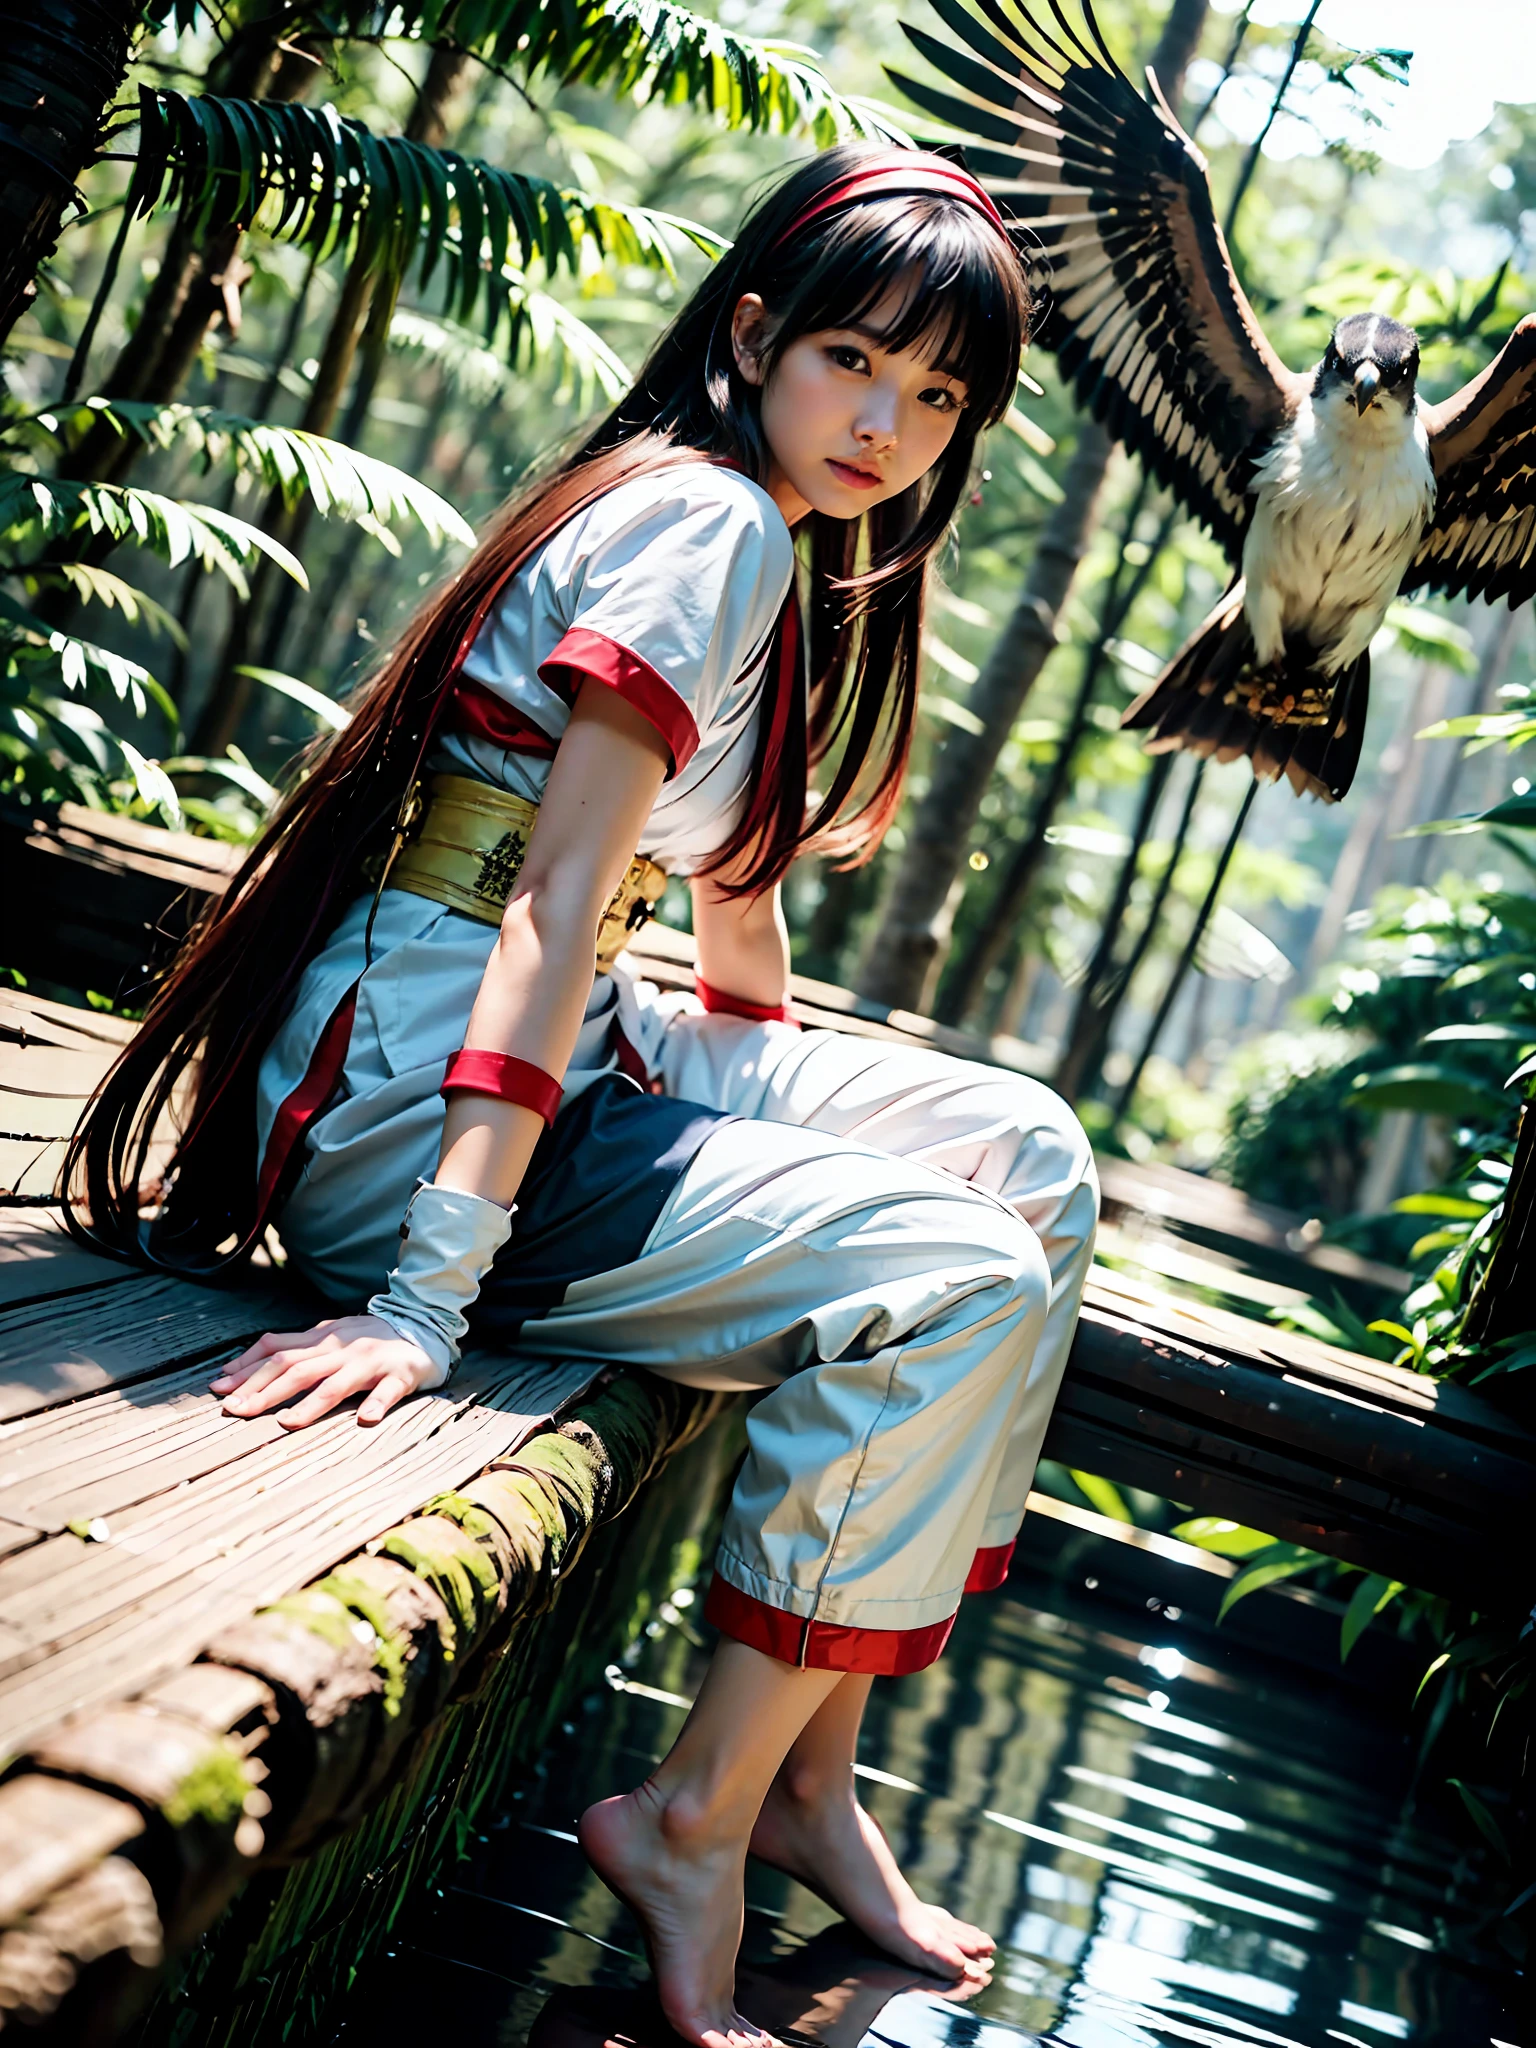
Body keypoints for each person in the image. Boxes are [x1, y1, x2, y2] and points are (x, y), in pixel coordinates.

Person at [67, 144, 1098, 2048]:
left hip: (536, 1052)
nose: (892, 422)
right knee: (953, 1276)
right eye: (858, 360)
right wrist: (421, 1298)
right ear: (754, 330)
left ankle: (803, 1774)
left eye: (941, 395)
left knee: (1028, 1158)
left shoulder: (743, 531)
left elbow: (724, 915)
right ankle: (691, 1818)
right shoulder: (707, 528)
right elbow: (552, 892)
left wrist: (789, 1106)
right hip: (413, 1115)